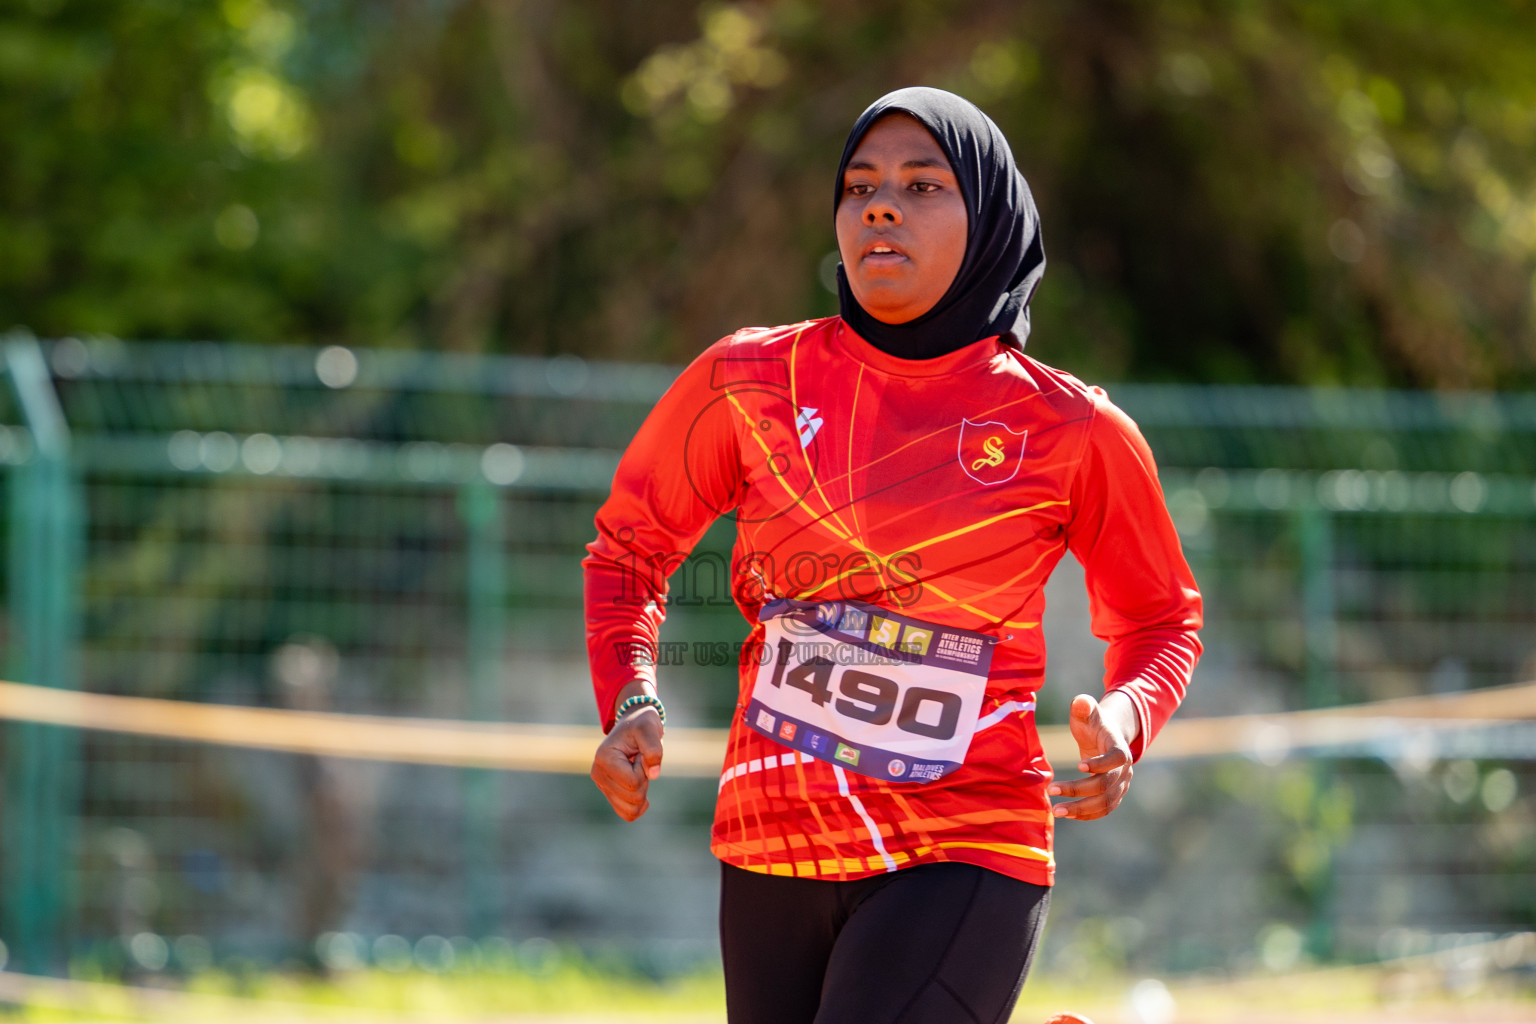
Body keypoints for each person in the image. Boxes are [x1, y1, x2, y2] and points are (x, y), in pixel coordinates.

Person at [584, 87, 1202, 1024]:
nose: (881, 206)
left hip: (967, 842)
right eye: (861, 185)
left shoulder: (1072, 429)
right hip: (771, 839)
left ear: (989, 216)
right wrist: (631, 694)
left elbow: (1161, 617)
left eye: (923, 185)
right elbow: (628, 550)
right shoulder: (748, 382)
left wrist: (1127, 713)